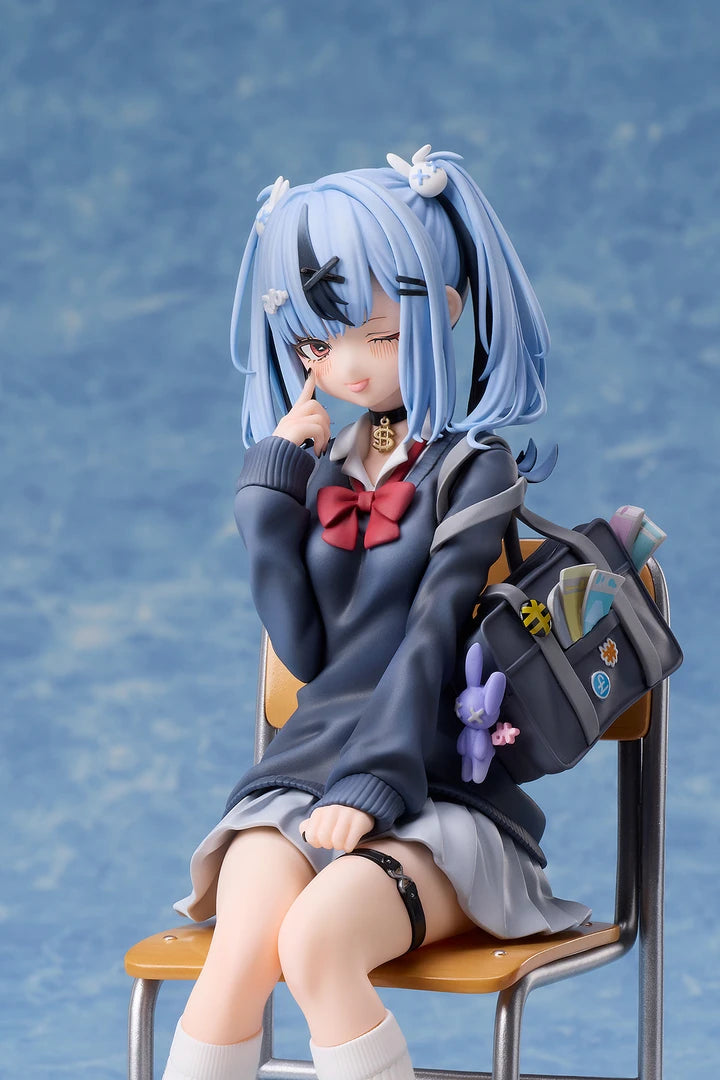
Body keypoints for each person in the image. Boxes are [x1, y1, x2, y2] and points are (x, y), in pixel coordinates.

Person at [162, 146, 590, 1080]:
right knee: (240, 953)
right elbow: (307, 650)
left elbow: (432, 635)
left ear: (447, 309)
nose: (346, 367)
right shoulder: (325, 469)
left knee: (317, 946)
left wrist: (371, 785)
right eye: (317, 346)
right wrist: (268, 493)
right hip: (301, 779)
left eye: (380, 335)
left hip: (431, 788)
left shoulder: (473, 469)